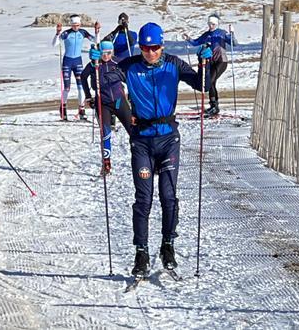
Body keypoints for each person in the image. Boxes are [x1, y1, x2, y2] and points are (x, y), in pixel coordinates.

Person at [116, 22, 204, 276]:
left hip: (168, 140)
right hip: (142, 140)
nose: (150, 52)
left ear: (162, 45)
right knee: (143, 200)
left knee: (168, 196)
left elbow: (202, 84)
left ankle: (168, 246)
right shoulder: (130, 66)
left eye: (155, 47)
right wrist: (100, 62)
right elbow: (105, 80)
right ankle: (141, 253)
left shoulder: (173, 64)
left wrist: (209, 63)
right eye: (145, 47)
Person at [81, 41, 128, 176]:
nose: (106, 56)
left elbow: (128, 77)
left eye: (108, 53)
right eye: (103, 53)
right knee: (105, 133)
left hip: (119, 102)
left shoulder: (117, 63)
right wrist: (88, 96)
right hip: (103, 104)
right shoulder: (94, 65)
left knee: (133, 129)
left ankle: (145, 159)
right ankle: (106, 164)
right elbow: (83, 77)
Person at [184, 14, 233, 118]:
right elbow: (195, 42)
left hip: (221, 61)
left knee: (210, 81)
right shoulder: (206, 35)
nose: (211, 26)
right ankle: (214, 106)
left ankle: (214, 106)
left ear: (217, 24)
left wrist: (232, 34)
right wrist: (188, 38)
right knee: (211, 82)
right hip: (211, 62)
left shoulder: (222, 33)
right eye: (209, 24)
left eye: (213, 24)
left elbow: (234, 43)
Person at [52, 15, 98, 121]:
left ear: (80, 24)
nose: (76, 27)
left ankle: (82, 109)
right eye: (74, 25)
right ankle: (63, 108)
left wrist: (96, 31)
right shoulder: (67, 33)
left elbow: (95, 41)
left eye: (77, 25)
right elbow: (54, 44)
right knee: (67, 88)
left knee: (80, 86)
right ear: (71, 25)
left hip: (78, 61)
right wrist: (58, 33)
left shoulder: (83, 32)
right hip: (67, 62)